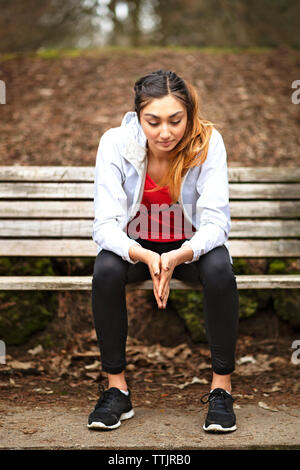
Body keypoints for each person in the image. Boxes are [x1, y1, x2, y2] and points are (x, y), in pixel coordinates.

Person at [88, 69, 240, 433]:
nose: (165, 132)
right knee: (106, 270)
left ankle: (222, 389)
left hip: (190, 250)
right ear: (138, 117)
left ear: (189, 115)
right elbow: (105, 225)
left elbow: (216, 223)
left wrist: (178, 255)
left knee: (220, 269)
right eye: (153, 122)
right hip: (136, 248)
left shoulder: (207, 143)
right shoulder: (114, 143)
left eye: (175, 120)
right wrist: (143, 255)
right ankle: (116, 390)